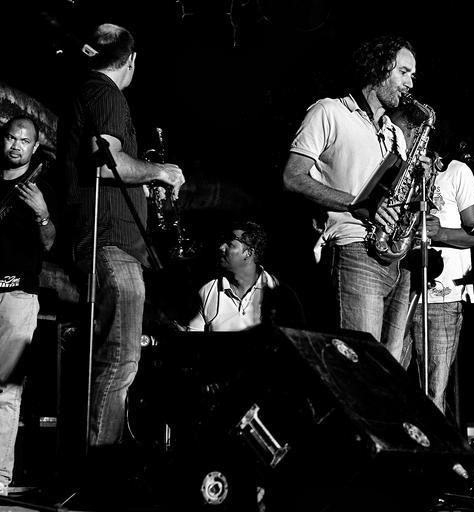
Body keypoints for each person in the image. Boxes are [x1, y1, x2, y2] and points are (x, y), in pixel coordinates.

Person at [57, 23, 185, 449]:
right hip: (111, 243)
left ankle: (92, 460)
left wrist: (141, 184)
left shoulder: (89, 91)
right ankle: (98, 467)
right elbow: (105, 160)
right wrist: (160, 171)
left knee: (114, 357)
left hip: (106, 239)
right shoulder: (106, 92)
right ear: (131, 60)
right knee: (121, 359)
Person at [283, 34, 429, 361]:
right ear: (379, 68)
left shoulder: (394, 133)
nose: (410, 83)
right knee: (363, 364)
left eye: (412, 75)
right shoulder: (329, 111)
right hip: (354, 247)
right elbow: (292, 177)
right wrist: (357, 204)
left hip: (396, 256)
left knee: (390, 369)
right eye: (403, 72)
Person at [402, 131, 474, 413]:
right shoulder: (401, 171)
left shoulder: (457, 171)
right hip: (400, 288)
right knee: (389, 382)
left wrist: (440, 233)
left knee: (433, 393)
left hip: (442, 296)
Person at [0, 115, 56, 496]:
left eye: (24, 141)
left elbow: (50, 242)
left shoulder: (41, 186)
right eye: (11, 138)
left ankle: (0, 477)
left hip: (18, 297)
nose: (16, 145)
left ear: (34, 147)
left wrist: (42, 213)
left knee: (5, 391)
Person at [188, 220, 305, 332]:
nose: (221, 247)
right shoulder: (207, 291)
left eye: (230, 244)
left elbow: (296, 339)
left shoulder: (281, 293)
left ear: (248, 252)